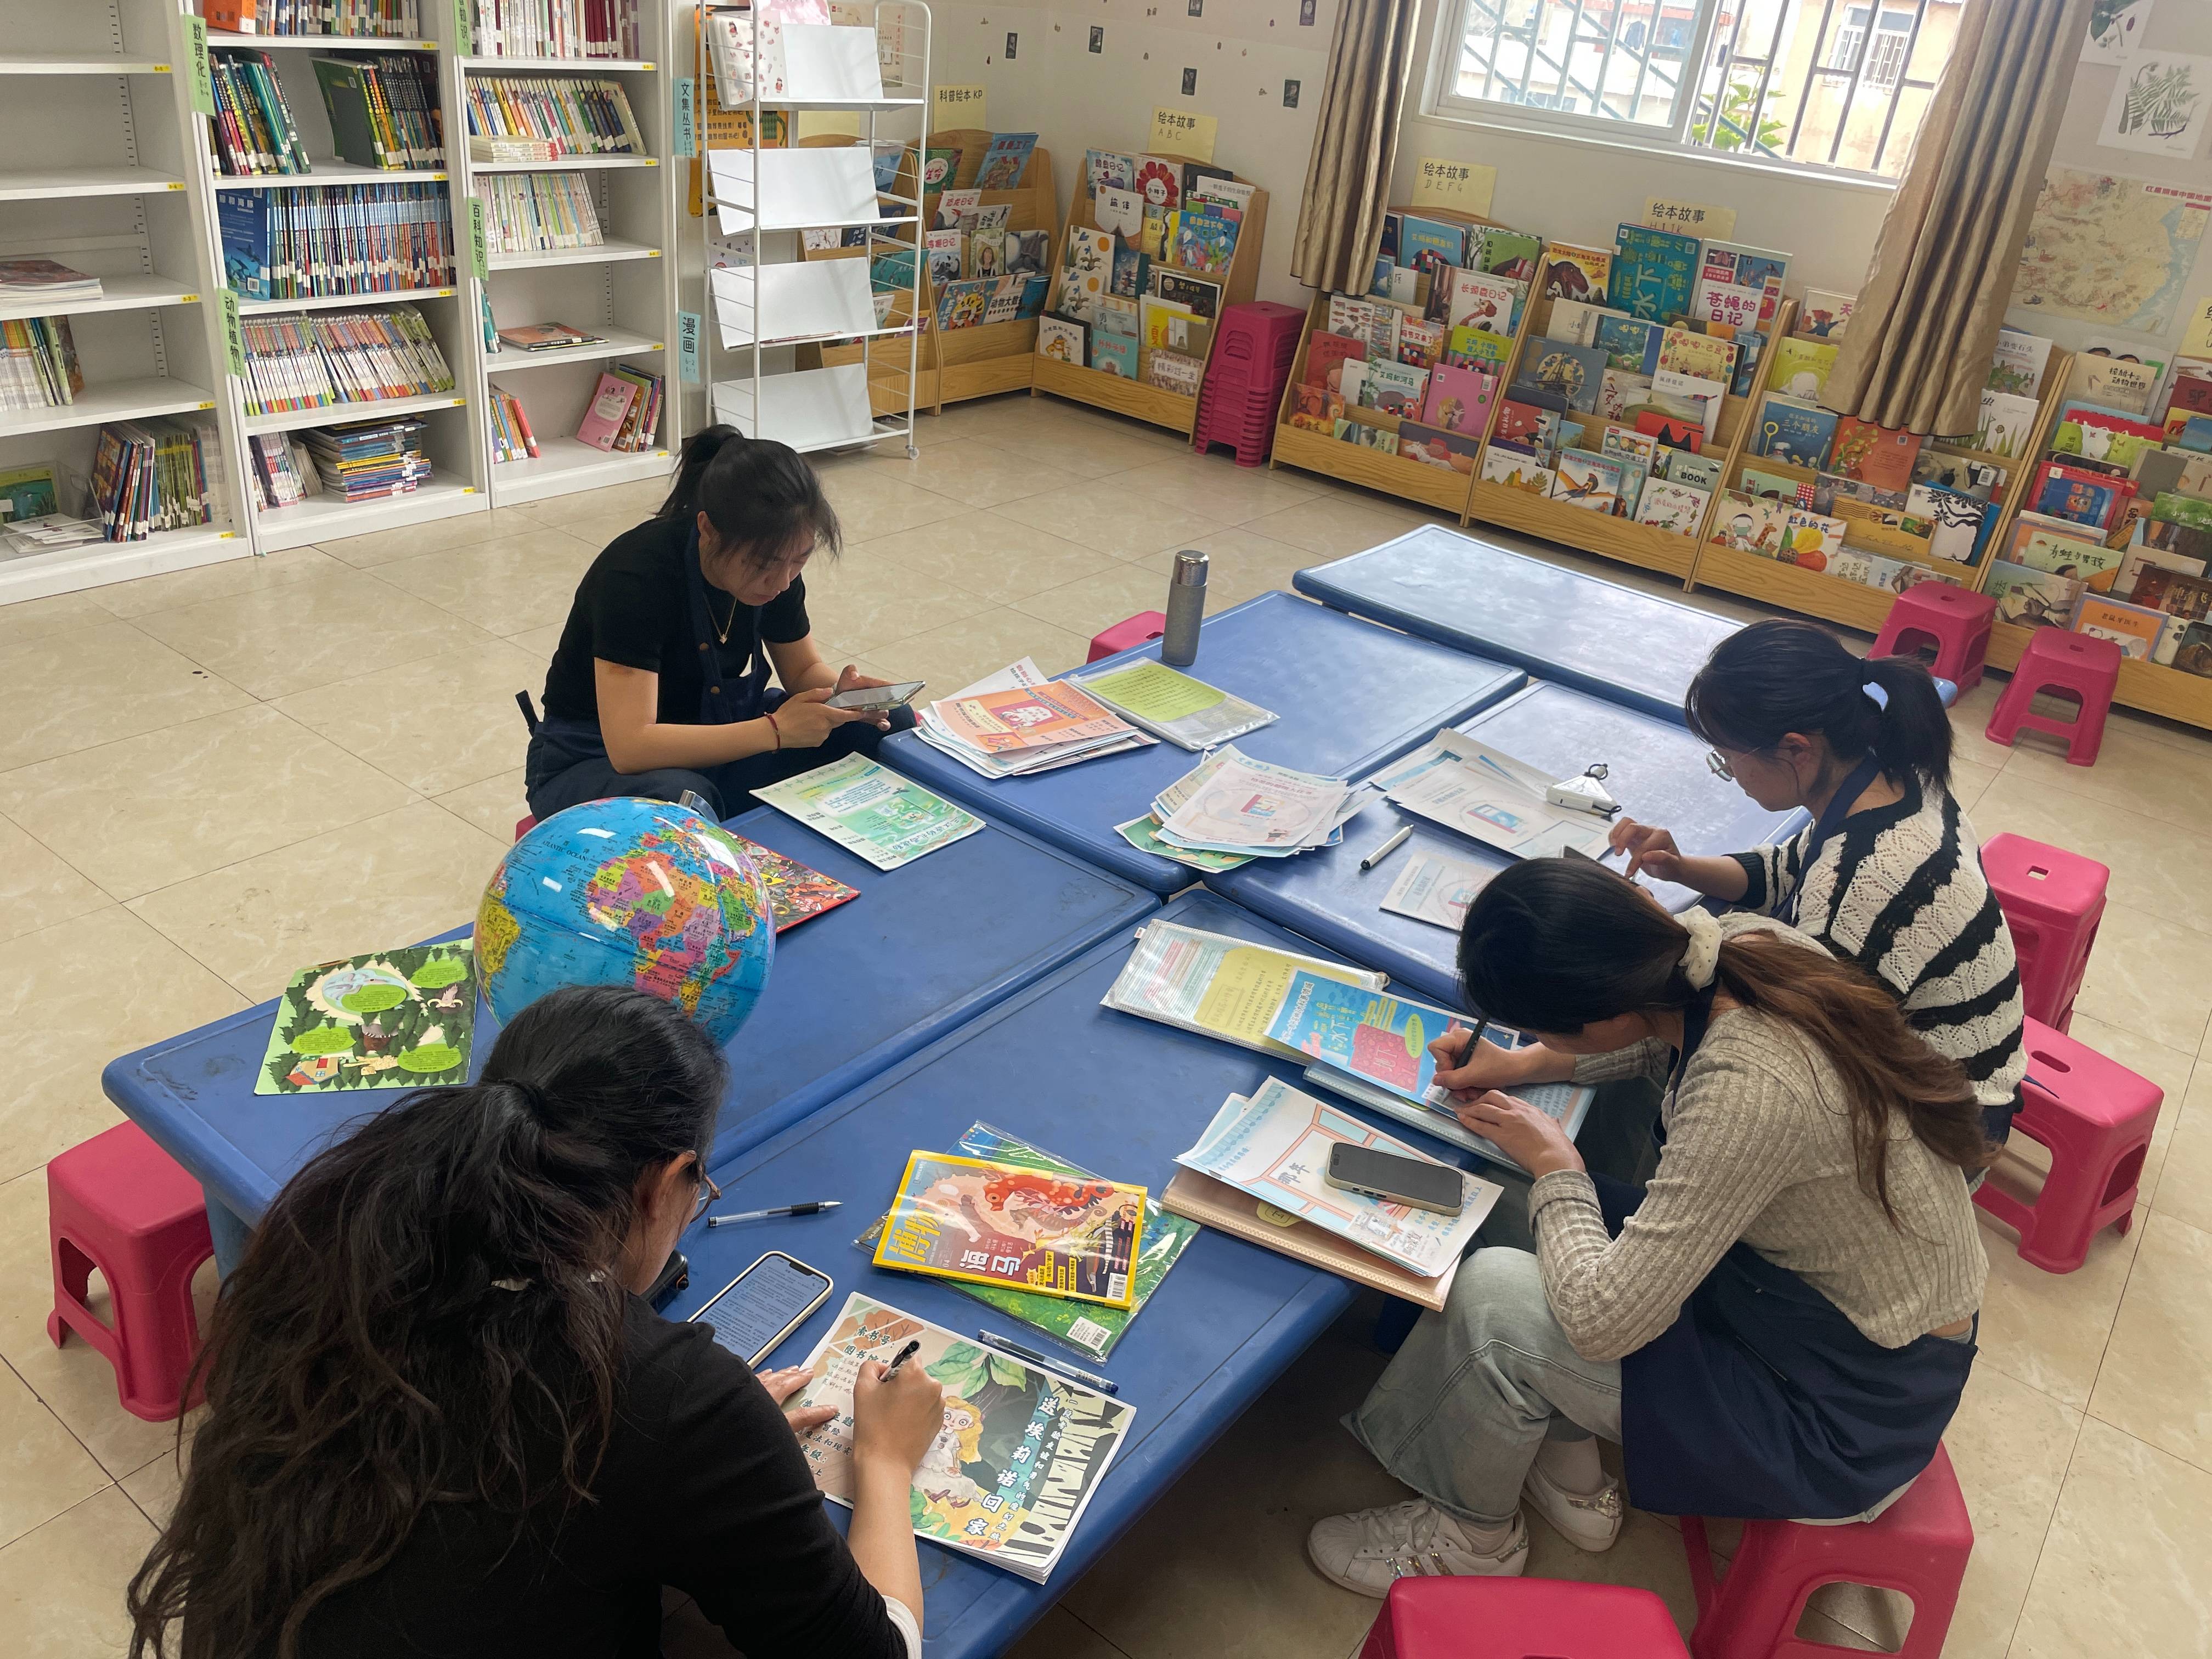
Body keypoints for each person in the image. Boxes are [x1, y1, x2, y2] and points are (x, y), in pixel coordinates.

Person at [128, 985, 945, 1659]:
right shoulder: (671, 1397)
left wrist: (713, 1458)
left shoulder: (333, 1251)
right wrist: (884, 1458)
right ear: (665, 1184)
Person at [1307, 859, 1989, 1593]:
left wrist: (1558, 1167)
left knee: (1499, 1296)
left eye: (1541, 1026)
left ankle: (1472, 1540)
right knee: (1506, 1198)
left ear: (1601, 1011)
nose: (1537, 1037)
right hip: (1795, 1306)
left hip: (1843, 1410)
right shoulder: (1731, 945)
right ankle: (1569, 1474)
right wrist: (1517, 1066)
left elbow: (1604, 1324)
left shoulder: (1751, 1088)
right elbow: (1653, 1036)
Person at [1606, 619, 2025, 1146]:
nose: (1731, 775)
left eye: (1729, 759)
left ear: (1795, 750)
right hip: (1930, 1060)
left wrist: (1655, 931)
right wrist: (1681, 867)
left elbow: (1791, 1045)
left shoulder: (1869, 877)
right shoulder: (1891, 780)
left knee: (1691, 1090)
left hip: (1948, 1121)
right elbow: (1786, 872)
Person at [524, 428, 914, 822]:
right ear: (708, 531)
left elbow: (802, 670)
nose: (782, 582)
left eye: (800, 560)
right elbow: (631, 747)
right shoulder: (635, 575)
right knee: (683, 802)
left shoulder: (779, 561)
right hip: (597, 759)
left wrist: (841, 697)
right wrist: (775, 731)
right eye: (762, 565)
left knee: (885, 723)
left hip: (721, 731)